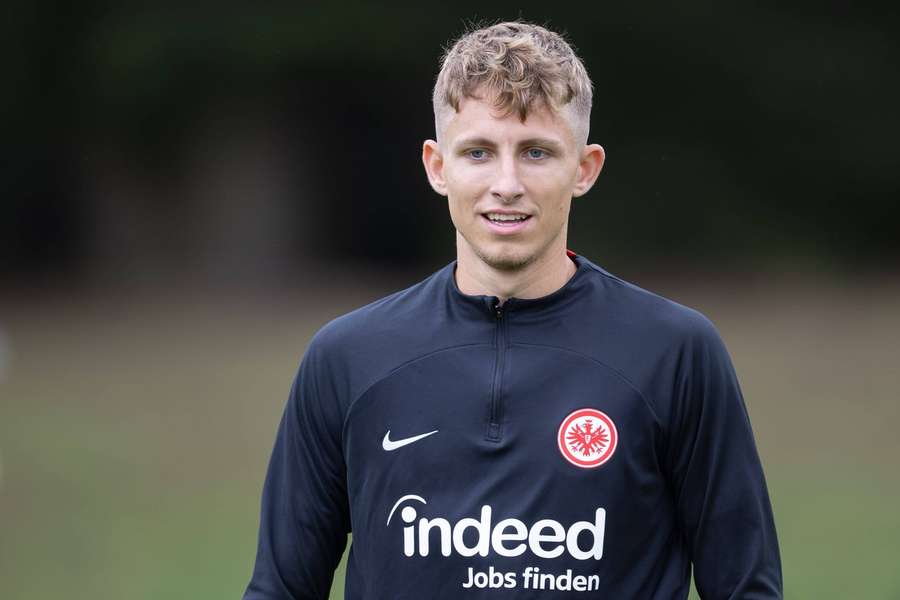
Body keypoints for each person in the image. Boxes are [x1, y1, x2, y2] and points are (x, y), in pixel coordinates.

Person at [243, 20, 782, 599]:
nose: (507, 183)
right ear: (437, 166)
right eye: (478, 152)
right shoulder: (347, 358)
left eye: (535, 152)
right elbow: (280, 589)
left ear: (584, 168)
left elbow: (746, 588)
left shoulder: (675, 352)